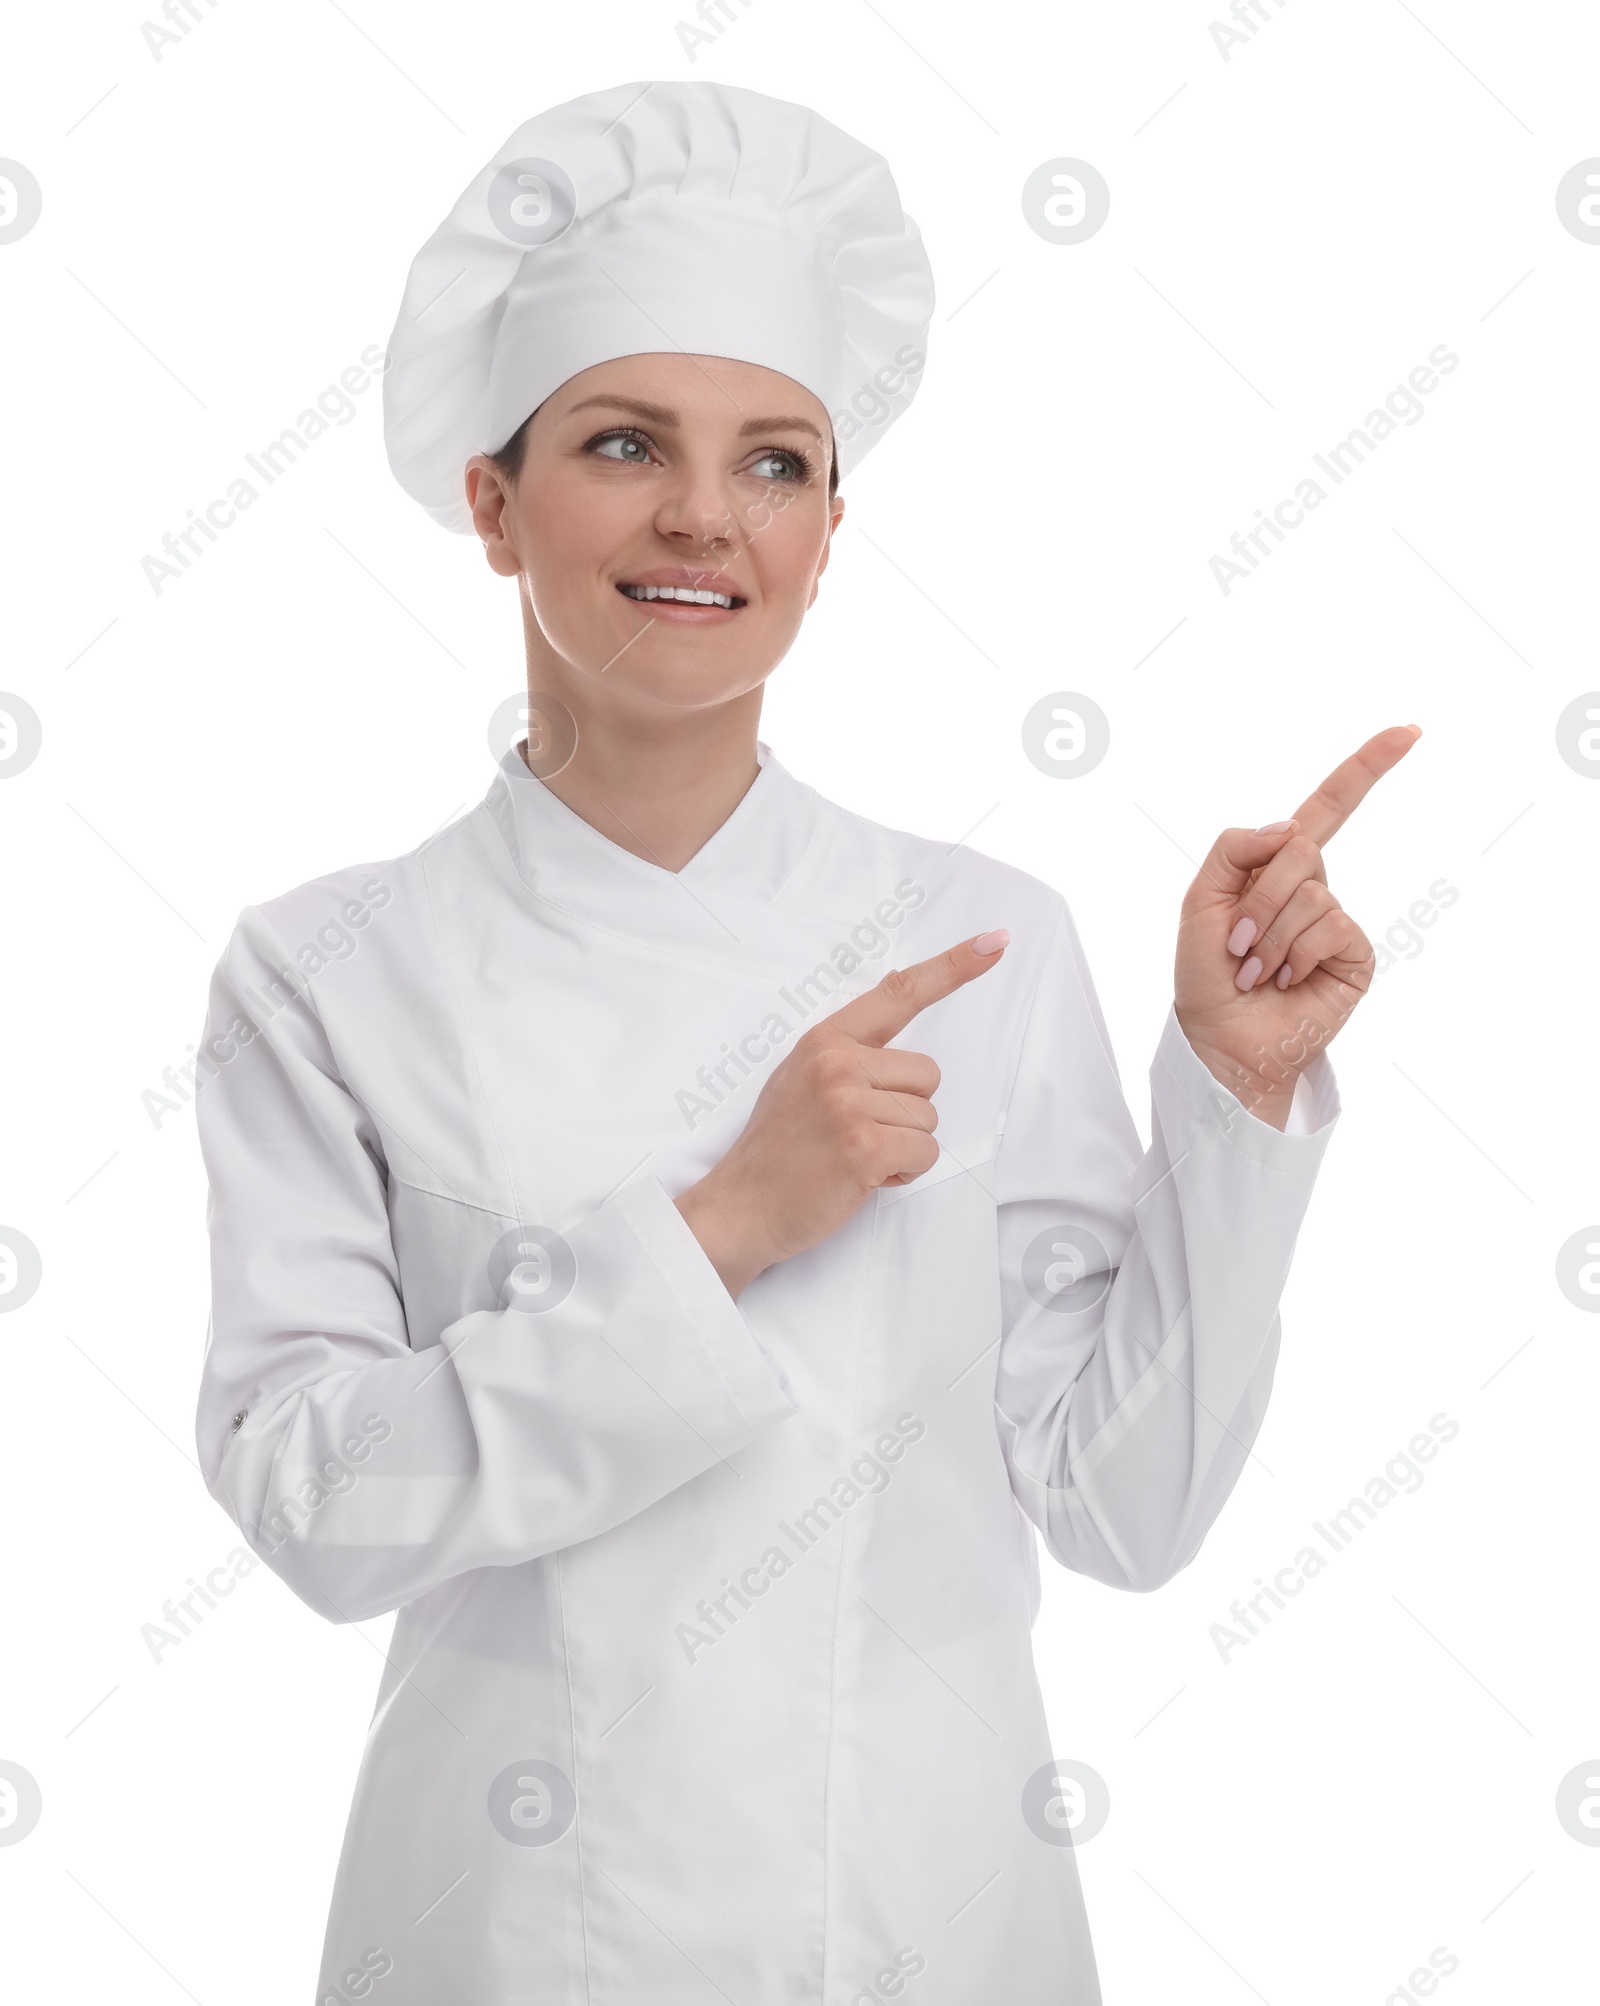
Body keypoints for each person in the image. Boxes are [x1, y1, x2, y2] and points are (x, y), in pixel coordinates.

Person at [193, 79, 1415, 2004]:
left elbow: (1124, 1506)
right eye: (623, 442)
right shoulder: (332, 969)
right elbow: (320, 1507)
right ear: (495, 507)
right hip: (507, 1942)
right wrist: (725, 1225)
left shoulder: (980, 941)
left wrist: (1239, 1096)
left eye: (774, 461)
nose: (702, 513)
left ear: (834, 531)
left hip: (927, 1924)